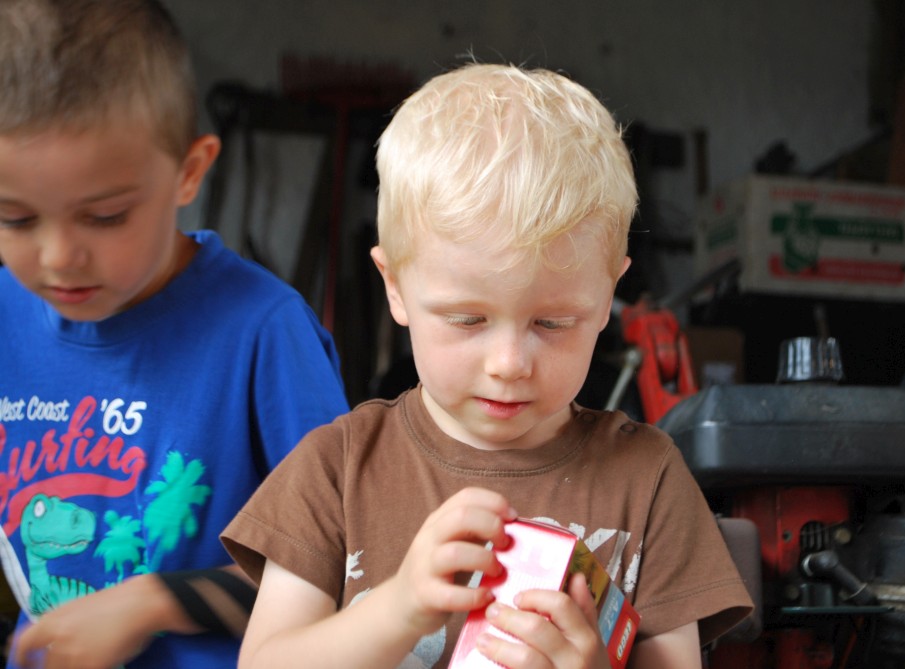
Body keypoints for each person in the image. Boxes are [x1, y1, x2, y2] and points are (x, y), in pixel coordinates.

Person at [221, 63, 752, 669]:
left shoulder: (648, 480)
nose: (509, 364)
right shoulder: (336, 470)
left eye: (553, 323)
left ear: (608, 296)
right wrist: (398, 609)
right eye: (468, 319)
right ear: (395, 287)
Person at [0, 0, 351, 667]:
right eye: (14, 218)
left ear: (189, 171)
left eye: (105, 216)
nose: (58, 257)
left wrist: (157, 601)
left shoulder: (263, 332)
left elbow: (345, 560)